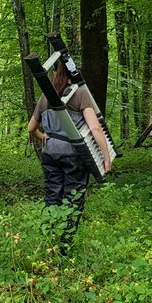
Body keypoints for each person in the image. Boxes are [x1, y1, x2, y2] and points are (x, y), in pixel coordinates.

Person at [26, 62, 112, 252]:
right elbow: (95, 128)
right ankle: (65, 246)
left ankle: (49, 240)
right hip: (73, 153)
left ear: (54, 74)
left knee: (52, 195)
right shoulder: (80, 94)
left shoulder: (45, 97)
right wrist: (106, 157)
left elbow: (31, 128)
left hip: (49, 153)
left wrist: (44, 137)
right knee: (73, 197)